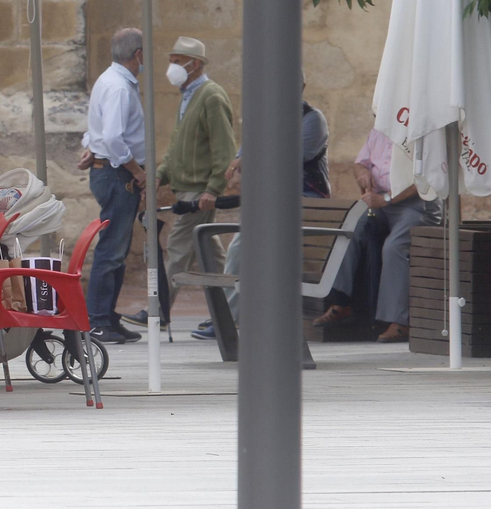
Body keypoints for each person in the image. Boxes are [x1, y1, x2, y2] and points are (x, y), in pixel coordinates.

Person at [196, 85, 329, 338]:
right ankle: (227, 317)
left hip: (303, 201)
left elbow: (291, 156)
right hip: (271, 200)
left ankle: (228, 318)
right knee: (239, 247)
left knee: (243, 245)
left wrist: (247, 160)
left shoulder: (313, 119)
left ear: (298, 87)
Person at [314, 127, 441, 342]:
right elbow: (360, 162)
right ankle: (341, 302)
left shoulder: (423, 132)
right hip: (381, 201)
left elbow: (427, 178)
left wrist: (388, 199)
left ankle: (398, 322)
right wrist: (362, 173)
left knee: (394, 247)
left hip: (417, 204)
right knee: (348, 229)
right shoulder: (379, 130)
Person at [77, 26, 146, 344]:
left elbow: (100, 131)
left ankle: (107, 315)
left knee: (116, 249)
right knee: (112, 249)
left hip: (112, 171)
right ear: (138, 54)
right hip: (119, 175)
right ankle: (97, 319)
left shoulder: (109, 80)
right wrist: (137, 171)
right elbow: (115, 139)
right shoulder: (118, 86)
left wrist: (92, 147)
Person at [155, 37, 235, 302]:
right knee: (210, 251)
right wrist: (160, 174)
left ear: (195, 64)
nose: (172, 68)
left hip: (198, 191)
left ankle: (160, 309)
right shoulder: (188, 96)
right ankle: (231, 306)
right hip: (188, 190)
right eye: (171, 61)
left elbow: (224, 148)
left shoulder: (211, 95)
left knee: (178, 246)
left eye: (177, 62)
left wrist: (213, 188)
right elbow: (178, 145)